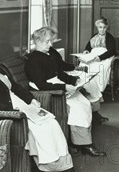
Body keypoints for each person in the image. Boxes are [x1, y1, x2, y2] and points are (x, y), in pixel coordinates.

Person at [0, 37, 94, 172]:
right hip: (7, 117)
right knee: (43, 130)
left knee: (52, 123)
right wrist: (14, 111)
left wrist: (31, 100)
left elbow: (16, 87)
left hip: (20, 107)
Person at [25, 27, 106, 157]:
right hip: (50, 90)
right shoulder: (34, 60)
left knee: (85, 103)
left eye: (51, 41)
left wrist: (74, 80)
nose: (51, 45)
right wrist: (64, 87)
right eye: (47, 42)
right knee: (78, 107)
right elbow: (41, 84)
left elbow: (59, 73)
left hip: (58, 85)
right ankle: (84, 144)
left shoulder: (48, 54)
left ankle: (81, 142)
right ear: (38, 42)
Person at [76, 17, 117, 124]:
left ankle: (96, 93)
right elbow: (88, 47)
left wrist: (99, 58)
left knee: (99, 68)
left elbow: (112, 51)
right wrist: (86, 52)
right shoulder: (94, 36)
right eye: (100, 27)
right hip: (93, 55)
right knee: (84, 65)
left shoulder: (110, 38)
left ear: (106, 27)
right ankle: (84, 89)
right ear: (97, 27)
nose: (102, 30)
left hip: (104, 57)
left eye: (104, 27)